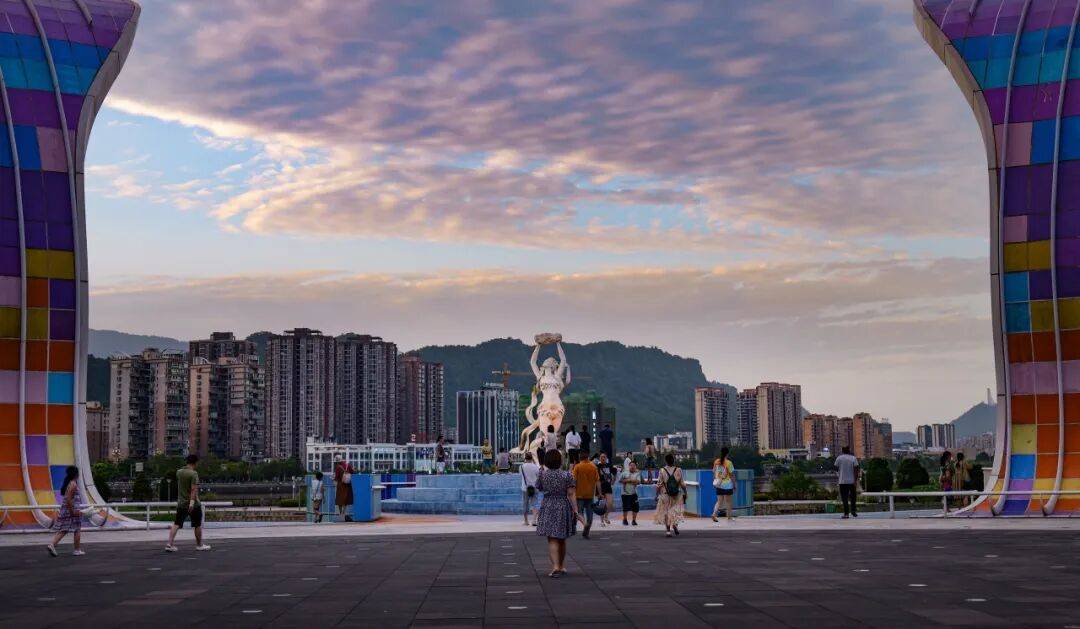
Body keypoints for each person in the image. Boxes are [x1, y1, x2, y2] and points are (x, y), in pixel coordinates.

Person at [535, 449, 585, 578]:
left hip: (548, 504)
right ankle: (561, 566)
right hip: (563, 505)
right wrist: (575, 510)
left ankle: (555, 567)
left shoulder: (542, 474)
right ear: (560, 460)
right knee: (562, 538)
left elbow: (539, 487)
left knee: (552, 538)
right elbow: (571, 493)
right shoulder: (567, 475)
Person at [166, 455, 211, 552]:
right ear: (195, 463)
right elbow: (193, 490)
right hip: (193, 504)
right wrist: (191, 503)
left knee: (177, 523)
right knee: (197, 524)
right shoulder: (193, 474)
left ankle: (169, 544)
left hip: (181, 503)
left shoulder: (179, 472)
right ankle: (199, 545)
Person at [47, 466, 84, 557]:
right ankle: (77, 550)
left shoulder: (70, 483)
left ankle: (52, 544)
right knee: (77, 529)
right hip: (72, 510)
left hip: (68, 509)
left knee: (64, 529)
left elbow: (67, 497)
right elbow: (68, 498)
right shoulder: (73, 484)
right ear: (76, 474)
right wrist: (72, 511)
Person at [571, 447, 600, 538]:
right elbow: (597, 481)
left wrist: (572, 492)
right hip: (590, 495)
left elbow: (574, 481)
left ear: (580, 456)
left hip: (579, 495)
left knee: (579, 512)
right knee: (590, 514)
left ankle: (585, 525)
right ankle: (587, 530)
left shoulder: (577, 467)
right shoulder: (593, 467)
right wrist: (600, 493)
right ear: (588, 456)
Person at [654, 453, 685, 537]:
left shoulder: (662, 470)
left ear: (666, 461)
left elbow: (659, 484)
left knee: (666, 512)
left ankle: (668, 531)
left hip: (665, 494)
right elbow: (682, 484)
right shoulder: (678, 470)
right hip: (676, 494)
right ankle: (675, 525)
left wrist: (656, 494)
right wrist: (685, 492)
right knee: (675, 511)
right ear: (673, 460)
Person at [833, 446, 860, 519]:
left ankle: (846, 514)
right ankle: (853, 511)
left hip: (842, 481)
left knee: (844, 498)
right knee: (853, 497)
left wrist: (839, 472)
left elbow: (835, 467)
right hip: (851, 481)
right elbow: (856, 470)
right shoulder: (853, 458)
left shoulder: (839, 458)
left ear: (842, 450)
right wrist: (855, 480)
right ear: (849, 450)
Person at [711, 447, 736, 523]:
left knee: (719, 501)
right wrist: (734, 485)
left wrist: (714, 481)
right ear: (727, 453)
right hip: (727, 485)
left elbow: (714, 472)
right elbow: (732, 475)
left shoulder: (716, 461)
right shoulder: (729, 463)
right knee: (728, 502)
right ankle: (729, 518)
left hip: (719, 484)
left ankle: (714, 514)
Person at [596, 452, 617, 526]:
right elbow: (596, 479)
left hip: (608, 486)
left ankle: (606, 516)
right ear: (599, 458)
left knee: (610, 503)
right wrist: (599, 492)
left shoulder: (609, 465)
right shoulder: (597, 466)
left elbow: (615, 472)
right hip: (600, 486)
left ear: (606, 458)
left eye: (604, 457)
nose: (603, 458)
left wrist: (613, 480)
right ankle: (601, 521)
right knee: (602, 504)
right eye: (601, 457)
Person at [520, 451, 541, 525]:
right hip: (535, 487)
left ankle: (526, 521)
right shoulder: (536, 467)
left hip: (525, 488)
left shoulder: (522, 467)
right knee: (535, 504)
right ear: (532, 458)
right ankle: (534, 520)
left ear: (525, 458)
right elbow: (539, 477)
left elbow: (522, 476)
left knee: (525, 504)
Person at [619, 460, 641, 526]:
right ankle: (625, 519)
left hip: (634, 493)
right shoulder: (624, 473)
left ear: (636, 466)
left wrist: (629, 480)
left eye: (634, 465)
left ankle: (634, 520)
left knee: (636, 507)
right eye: (631, 465)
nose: (632, 467)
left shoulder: (637, 473)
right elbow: (620, 480)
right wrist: (630, 480)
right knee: (625, 507)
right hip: (625, 493)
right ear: (629, 466)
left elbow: (638, 482)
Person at [334, 456, 354, 521]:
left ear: (337, 461)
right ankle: (344, 512)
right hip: (347, 485)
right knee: (345, 499)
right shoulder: (348, 465)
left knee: (340, 499)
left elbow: (336, 477)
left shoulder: (337, 467)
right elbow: (353, 472)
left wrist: (333, 479)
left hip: (340, 485)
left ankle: (341, 514)